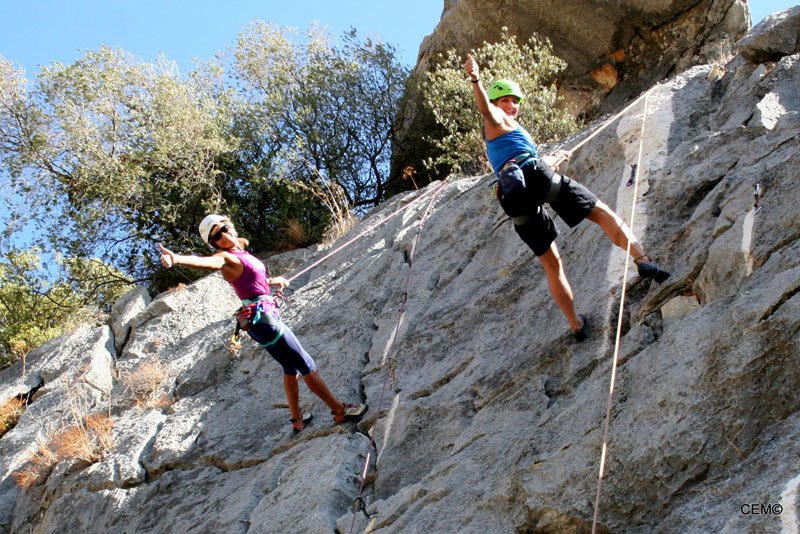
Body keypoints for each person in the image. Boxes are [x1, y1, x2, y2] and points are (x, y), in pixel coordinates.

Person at [464, 54, 670, 341]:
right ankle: (642, 259)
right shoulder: (495, 119)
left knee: (552, 264)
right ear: (497, 103)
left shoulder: (502, 138)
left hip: (515, 197)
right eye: (505, 101)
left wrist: (552, 158)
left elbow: (520, 159)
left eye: (514, 101)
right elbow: (486, 110)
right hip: (536, 176)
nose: (510, 106)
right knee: (601, 213)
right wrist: (476, 79)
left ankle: (576, 324)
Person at [158, 214, 367, 433]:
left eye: (223, 229)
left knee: (289, 366)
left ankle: (297, 419)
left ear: (230, 225)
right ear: (214, 244)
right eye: (216, 236)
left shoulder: (241, 256)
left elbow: (251, 282)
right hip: (265, 320)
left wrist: (272, 281)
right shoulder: (225, 257)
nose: (223, 235)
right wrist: (178, 259)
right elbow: (208, 262)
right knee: (306, 364)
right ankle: (339, 411)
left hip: (257, 321)